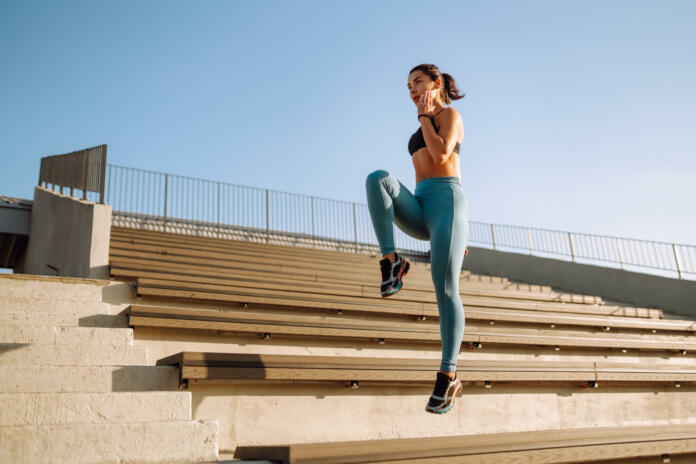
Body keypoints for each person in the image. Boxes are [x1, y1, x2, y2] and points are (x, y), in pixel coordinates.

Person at [365, 63, 469, 414]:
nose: (411, 89)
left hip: (447, 205)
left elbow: (441, 155)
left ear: (436, 83)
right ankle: (391, 261)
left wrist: (426, 116)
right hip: (421, 203)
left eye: (417, 82)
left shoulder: (449, 115)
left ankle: (448, 375)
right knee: (377, 179)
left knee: (446, 289)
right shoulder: (422, 122)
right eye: (407, 85)